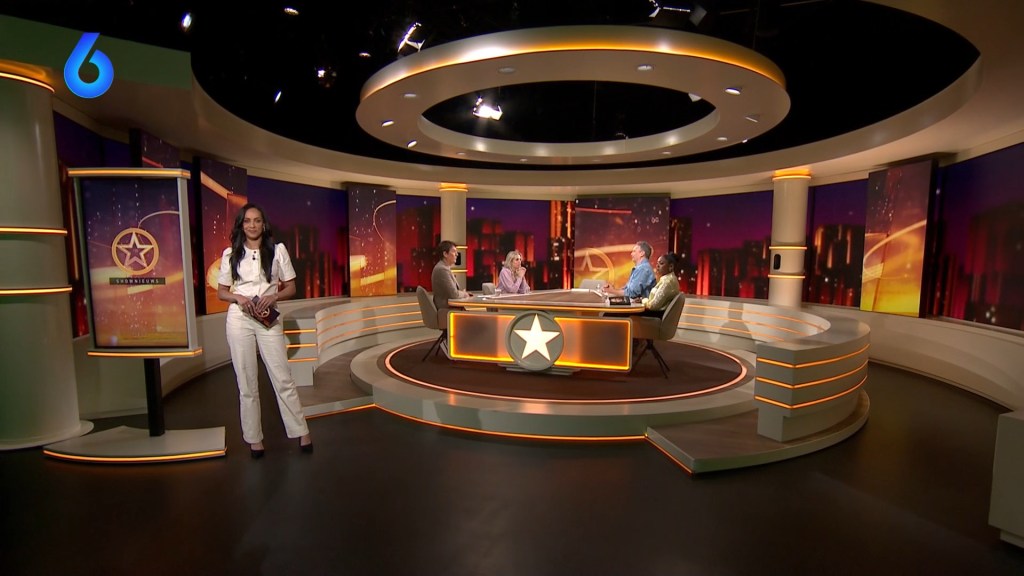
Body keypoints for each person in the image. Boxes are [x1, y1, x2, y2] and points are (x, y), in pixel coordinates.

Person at [217, 203, 312, 458]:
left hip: (268, 318)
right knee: (247, 382)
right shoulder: (230, 254)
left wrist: (274, 296)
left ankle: (301, 431)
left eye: (257, 220)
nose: (252, 225)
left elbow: (291, 287)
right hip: (240, 319)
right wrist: (238, 297)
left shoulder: (278, 250)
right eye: (247, 221)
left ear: (263, 224)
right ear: (241, 225)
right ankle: (254, 439)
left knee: (283, 377)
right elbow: (221, 292)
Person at [431, 240, 469, 357]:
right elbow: (454, 294)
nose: (457, 254)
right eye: (454, 251)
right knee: (476, 318)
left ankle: (462, 347)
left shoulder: (444, 268)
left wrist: (461, 293)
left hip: (449, 307)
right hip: (446, 310)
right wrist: (464, 294)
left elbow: (454, 293)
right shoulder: (442, 270)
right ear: (445, 254)